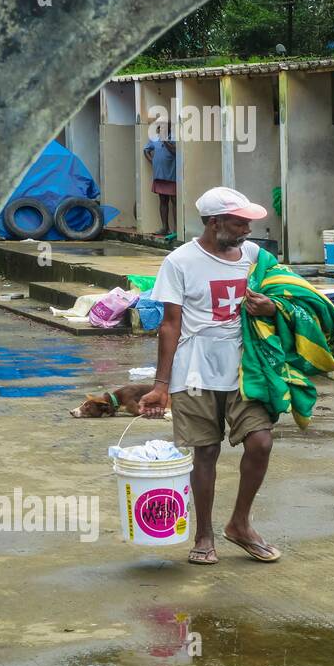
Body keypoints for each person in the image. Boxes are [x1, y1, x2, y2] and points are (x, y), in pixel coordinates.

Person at [138, 187, 282, 565]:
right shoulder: (179, 261)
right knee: (206, 451)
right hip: (194, 369)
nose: (247, 230)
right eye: (239, 223)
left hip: (243, 368)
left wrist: (272, 307)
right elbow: (170, 325)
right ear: (215, 223)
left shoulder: (253, 256)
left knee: (261, 441)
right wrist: (161, 386)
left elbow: (287, 293)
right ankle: (203, 535)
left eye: (248, 223)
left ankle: (239, 524)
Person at [142, 122, 177, 237]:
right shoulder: (154, 139)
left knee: (174, 201)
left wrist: (165, 140)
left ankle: (176, 229)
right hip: (159, 175)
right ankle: (164, 227)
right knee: (163, 201)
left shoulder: (174, 138)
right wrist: (152, 161)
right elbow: (146, 150)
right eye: (160, 128)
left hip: (172, 175)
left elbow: (175, 151)